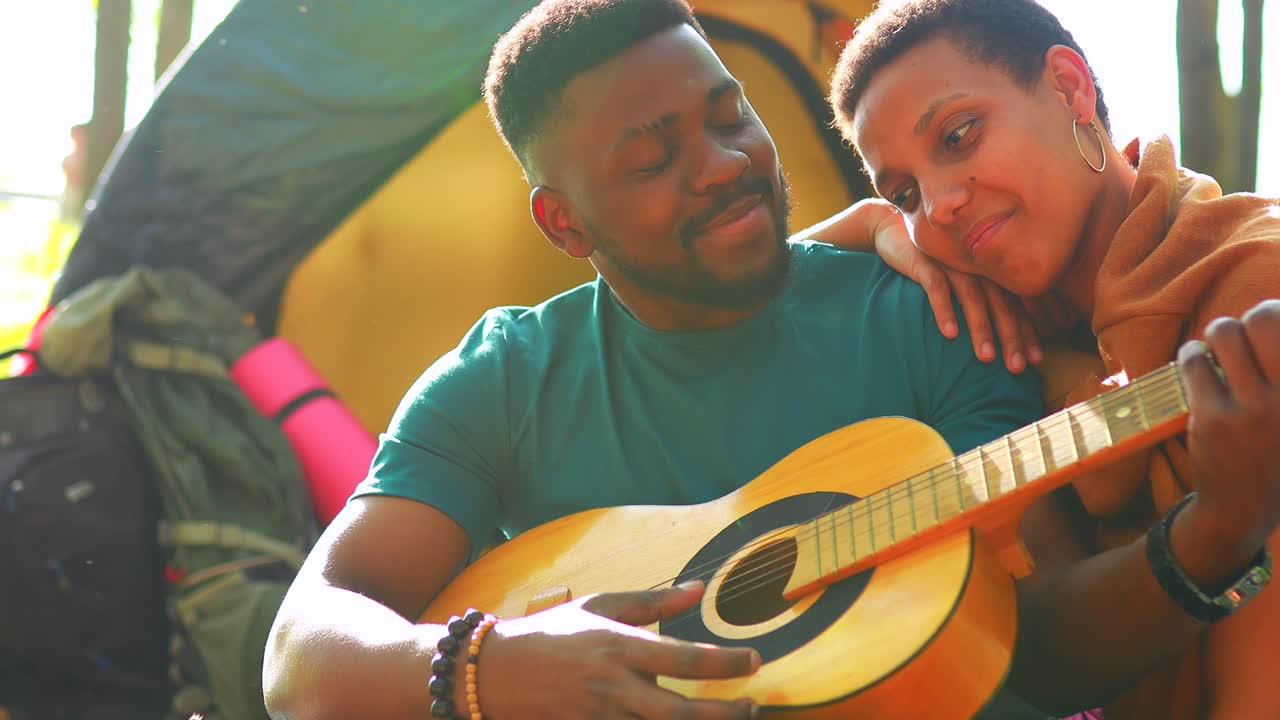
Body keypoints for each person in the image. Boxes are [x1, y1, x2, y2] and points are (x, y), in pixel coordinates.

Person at [261, 1, 1058, 718]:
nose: (723, 164)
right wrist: (488, 668)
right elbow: (301, 654)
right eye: (652, 162)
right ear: (565, 226)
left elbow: (1048, 620)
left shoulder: (930, 309)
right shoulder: (505, 378)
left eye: (731, 114)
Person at [817, 1, 1280, 717]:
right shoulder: (995, 339)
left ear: (1070, 88)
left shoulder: (1252, 292)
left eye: (959, 135)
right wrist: (875, 224)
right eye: (903, 192)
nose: (937, 206)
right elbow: (767, 275)